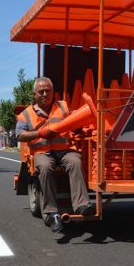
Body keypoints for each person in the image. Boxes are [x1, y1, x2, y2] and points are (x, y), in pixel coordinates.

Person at [16, 77, 94, 232]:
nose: (45, 94)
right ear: (34, 94)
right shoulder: (25, 114)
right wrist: (39, 133)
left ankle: (81, 205)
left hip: (64, 149)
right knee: (44, 167)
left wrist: (79, 128)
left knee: (75, 161)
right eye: (41, 91)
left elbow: (74, 122)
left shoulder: (63, 106)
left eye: (48, 91)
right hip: (41, 152)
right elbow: (19, 135)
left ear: (53, 92)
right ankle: (52, 213)